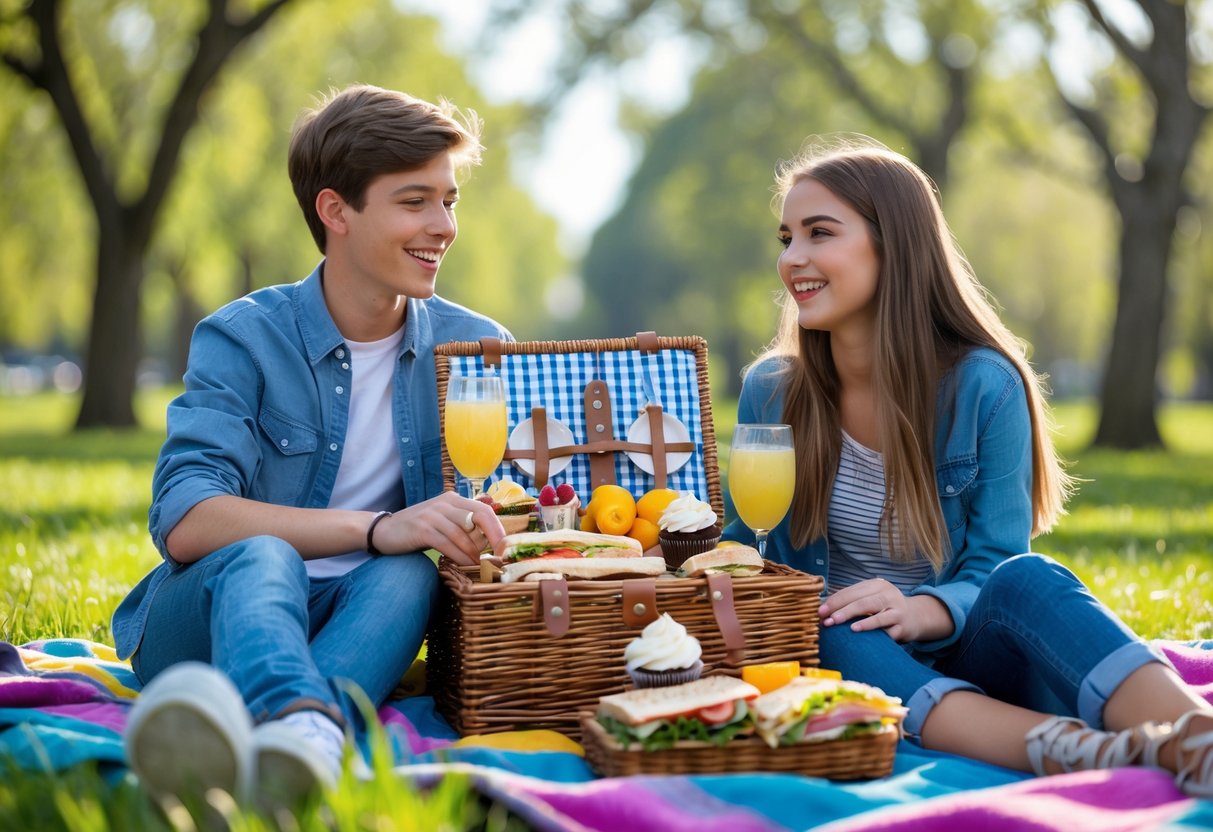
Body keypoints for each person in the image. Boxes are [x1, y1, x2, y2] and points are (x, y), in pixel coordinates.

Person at [722, 138, 1213, 795]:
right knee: (821, 619)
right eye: (785, 237)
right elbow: (745, 548)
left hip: (977, 648)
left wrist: (916, 609)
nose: (792, 259)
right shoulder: (771, 390)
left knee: (1029, 577)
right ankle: (1084, 754)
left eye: (819, 233)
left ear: (891, 244)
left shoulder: (985, 386)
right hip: (857, 660)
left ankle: (1194, 738)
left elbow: (991, 565)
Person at [111, 84, 511, 809]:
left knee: (407, 577)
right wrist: (378, 529)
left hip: (357, 618)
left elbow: (509, 515)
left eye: (450, 200)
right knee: (271, 556)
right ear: (336, 211)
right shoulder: (243, 337)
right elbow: (187, 519)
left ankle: (292, 749)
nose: (444, 225)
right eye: (415, 201)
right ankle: (303, 725)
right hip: (205, 619)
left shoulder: (475, 352)